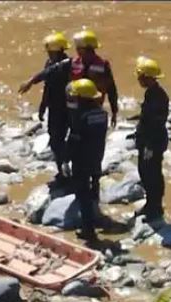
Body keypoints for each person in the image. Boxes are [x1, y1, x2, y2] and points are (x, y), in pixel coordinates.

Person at [19, 29, 119, 128]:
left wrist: (114, 112)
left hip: (92, 109)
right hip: (75, 109)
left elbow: (111, 89)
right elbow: (50, 71)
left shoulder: (103, 66)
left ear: (83, 49)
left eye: (79, 48)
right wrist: (32, 81)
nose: (77, 50)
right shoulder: (73, 62)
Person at [17, 32, 72, 184]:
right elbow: (48, 85)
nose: (48, 54)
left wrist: (31, 81)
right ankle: (62, 170)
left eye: (50, 51)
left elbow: (48, 73)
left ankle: (66, 170)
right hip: (54, 106)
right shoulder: (49, 62)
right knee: (55, 140)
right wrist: (42, 106)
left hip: (67, 107)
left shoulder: (67, 63)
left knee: (62, 140)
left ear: (58, 50)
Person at [64, 79, 108, 242]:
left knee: (83, 193)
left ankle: (88, 229)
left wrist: (66, 159)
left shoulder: (81, 116)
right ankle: (96, 216)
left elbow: (75, 140)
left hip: (81, 159)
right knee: (93, 187)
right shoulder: (102, 114)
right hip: (97, 156)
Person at [130, 56, 169, 223]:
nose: (139, 80)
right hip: (148, 140)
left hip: (153, 142)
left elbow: (156, 123)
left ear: (147, 77)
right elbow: (148, 118)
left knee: (151, 175)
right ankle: (151, 204)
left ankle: (155, 208)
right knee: (145, 173)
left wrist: (150, 146)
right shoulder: (152, 93)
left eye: (140, 76)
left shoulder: (158, 96)